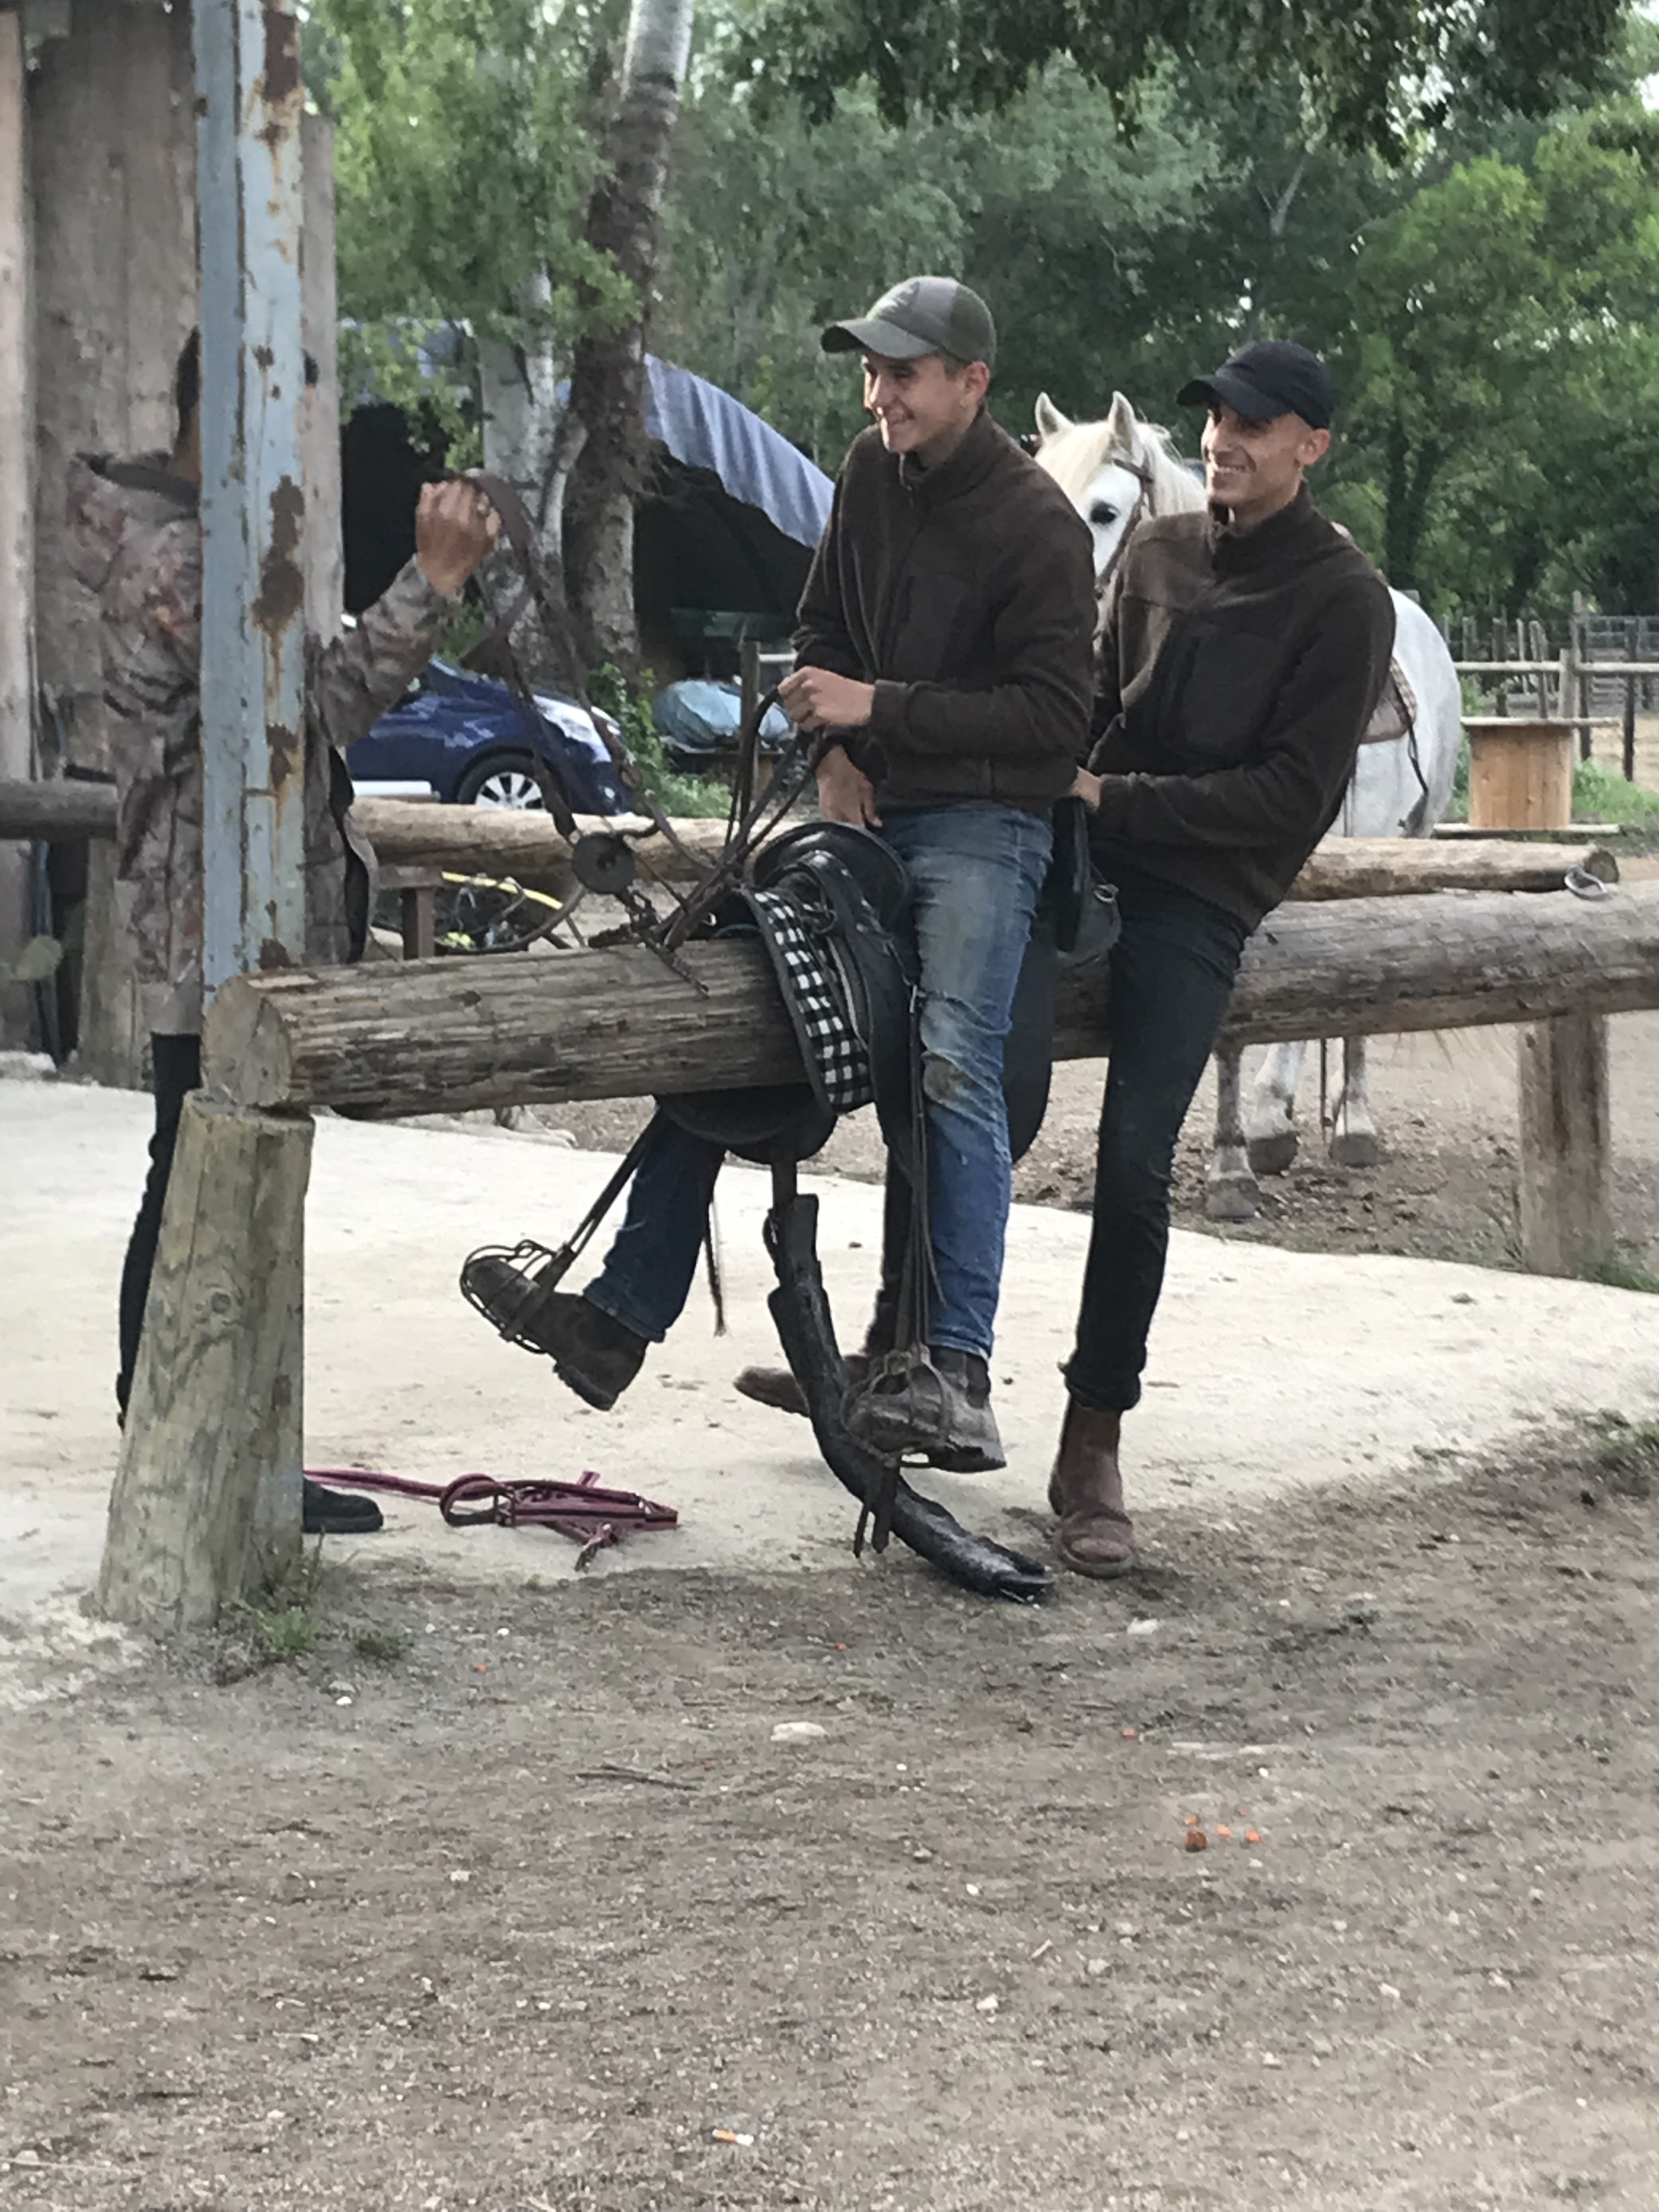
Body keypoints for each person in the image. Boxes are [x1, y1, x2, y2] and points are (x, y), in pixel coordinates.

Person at [465, 277, 1096, 1465]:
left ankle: (957, 1369)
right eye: (872, 372)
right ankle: (619, 1312)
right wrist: (839, 752)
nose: (879, 395)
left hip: (985, 824)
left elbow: (1057, 722)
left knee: (954, 1057)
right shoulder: (869, 474)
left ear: (974, 383)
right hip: (870, 803)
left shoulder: (1039, 526)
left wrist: (879, 709)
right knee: (735, 1001)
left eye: (903, 374)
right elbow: (822, 634)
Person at [69, 330, 499, 1534]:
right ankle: (189, 1442)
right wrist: (432, 582)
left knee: (206, 1169)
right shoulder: (180, 560)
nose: (290, 450)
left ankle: (208, 1439)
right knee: (202, 1175)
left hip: (225, 914)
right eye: (275, 416)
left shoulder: (203, 543)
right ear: (214, 410)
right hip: (213, 921)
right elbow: (314, 707)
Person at [1050, 338, 1396, 1575]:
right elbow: (1092, 710)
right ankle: (907, 1355)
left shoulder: (1344, 600)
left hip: (1197, 897)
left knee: (1136, 1155)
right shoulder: (1153, 553)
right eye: (1214, 419)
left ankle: (1094, 1437)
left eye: (1253, 424)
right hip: (1088, 853)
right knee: (953, 1066)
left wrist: (1113, 800)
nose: (1222, 439)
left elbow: (1289, 798)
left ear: (1313, 445)